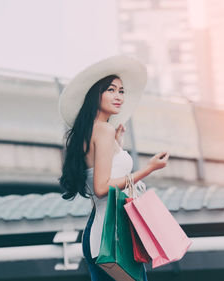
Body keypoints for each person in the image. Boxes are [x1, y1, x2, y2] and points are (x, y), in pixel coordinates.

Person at [57, 55, 169, 281]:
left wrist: (118, 146)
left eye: (121, 91)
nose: (119, 96)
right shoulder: (103, 132)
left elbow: (101, 176)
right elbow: (101, 188)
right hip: (110, 235)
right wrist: (148, 169)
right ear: (94, 95)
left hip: (102, 231)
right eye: (111, 90)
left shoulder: (92, 131)